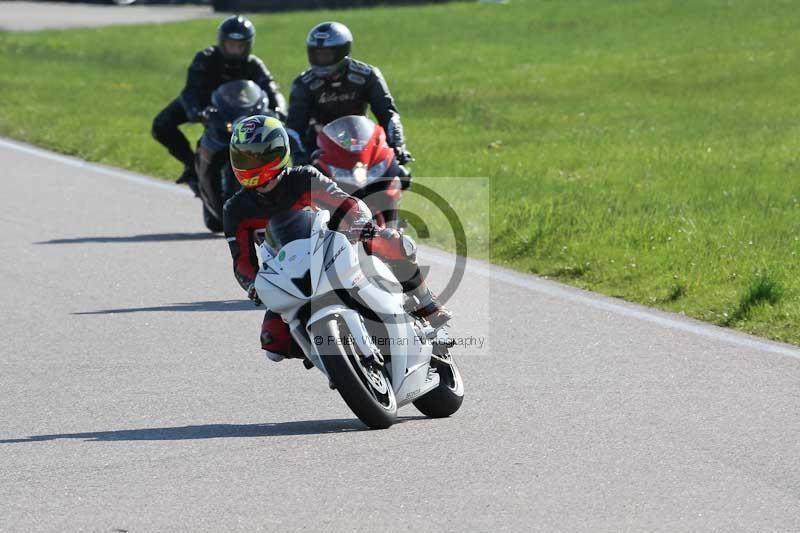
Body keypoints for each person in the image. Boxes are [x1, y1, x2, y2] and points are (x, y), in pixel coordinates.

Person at [222, 115, 451, 362]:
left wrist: (363, 226)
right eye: (243, 157)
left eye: (257, 155)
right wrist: (253, 285)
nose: (250, 163)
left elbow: (344, 202)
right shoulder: (235, 209)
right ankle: (332, 360)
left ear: (278, 151)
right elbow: (241, 261)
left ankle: (428, 306)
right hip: (291, 274)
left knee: (393, 243)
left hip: (334, 248)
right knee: (273, 343)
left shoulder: (303, 177)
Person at [152, 15, 286, 193]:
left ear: (248, 45)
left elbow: (272, 88)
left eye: (240, 46)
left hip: (237, 108)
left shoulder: (253, 64)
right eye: (231, 44)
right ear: (222, 42)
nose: (235, 50)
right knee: (161, 125)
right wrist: (196, 111)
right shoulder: (206, 58)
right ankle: (192, 166)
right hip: (204, 103)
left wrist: (279, 111)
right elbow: (191, 90)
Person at [285, 21, 413, 186]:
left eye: (326, 55)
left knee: (400, 176)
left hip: (362, 140)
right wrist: (300, 159)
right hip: (320, 147)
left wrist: (397, 146)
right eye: (316, 54)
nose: (320, 60)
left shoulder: (368, 75)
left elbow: (388, 114)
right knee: (303, 191)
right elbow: (294, 129)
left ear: (342, 51)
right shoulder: (303, 84)